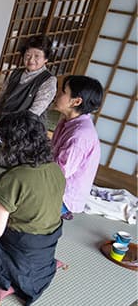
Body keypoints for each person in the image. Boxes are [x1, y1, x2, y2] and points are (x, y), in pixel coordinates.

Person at [0, 113, 65, 306]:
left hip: (13, 261)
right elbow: (30, 205)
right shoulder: (54, 169)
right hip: (41, 257)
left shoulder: (14, 178)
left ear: (13, 144)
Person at [0, 35, 57, 143]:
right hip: (2, 120)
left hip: (24, 126)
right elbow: (0, 99)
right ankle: (1, 137)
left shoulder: (49, 80)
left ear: (46, 59)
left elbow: (33, 113)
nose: (31, 60)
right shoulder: (16, 73)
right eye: (28, 55)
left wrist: (5, 125)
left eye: (37, 56)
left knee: (3, 137)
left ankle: (3, 138)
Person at [51, 75, 103, 220]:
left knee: (8, 189)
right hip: (53, 181)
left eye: (63, 92)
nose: (58, 94)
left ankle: (60, 210)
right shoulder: (67, 121)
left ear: (76, 101)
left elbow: (58, 175)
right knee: (4, 183)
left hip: (63, 196)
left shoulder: (79, 136)